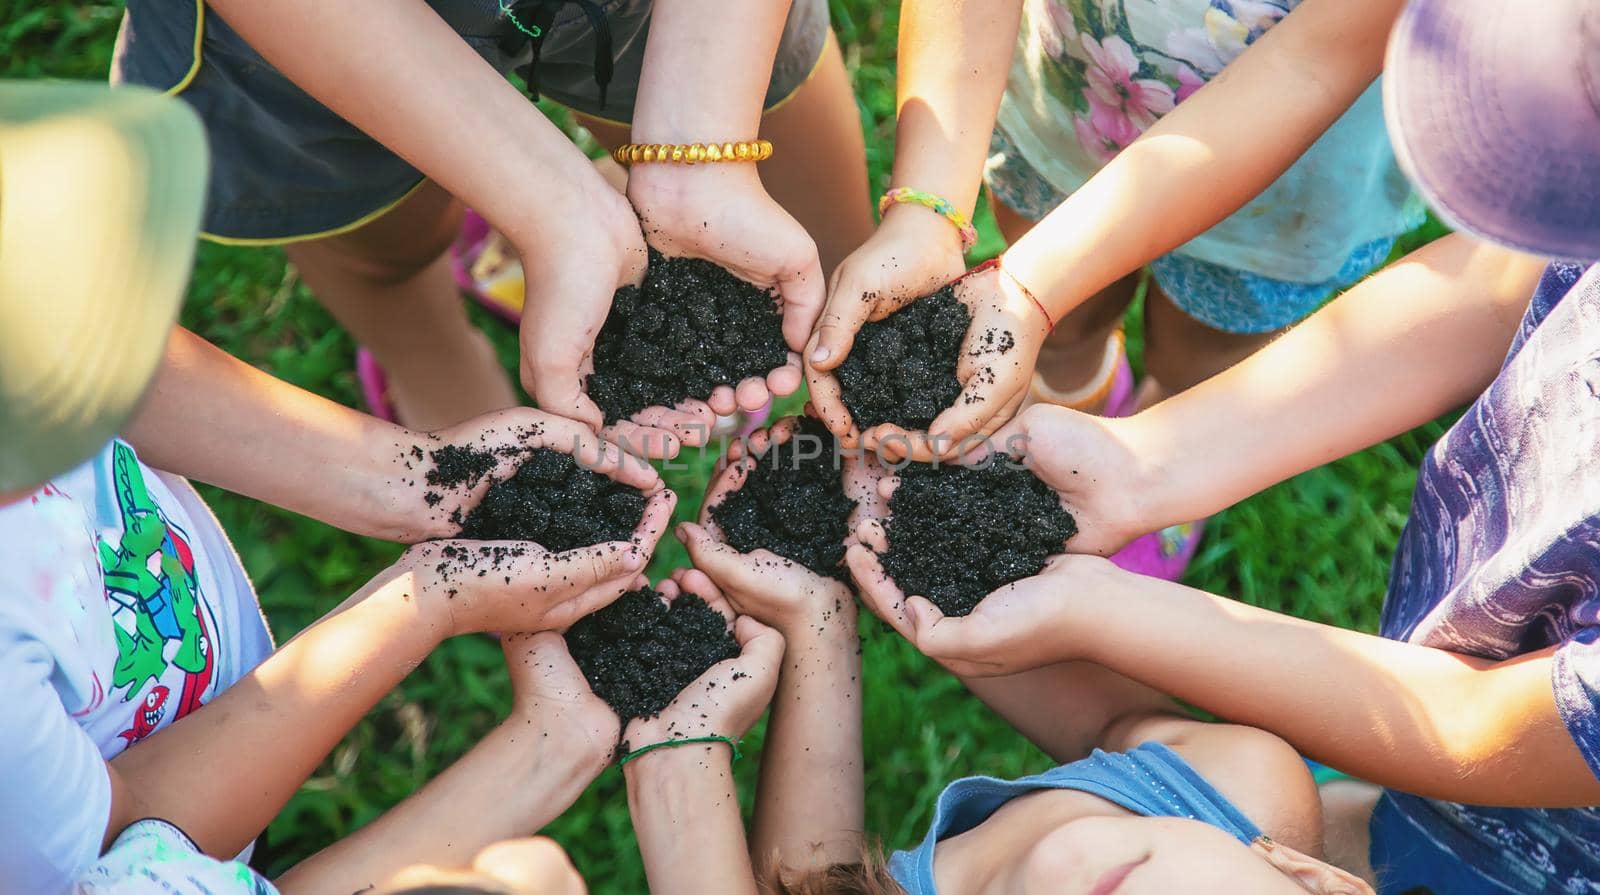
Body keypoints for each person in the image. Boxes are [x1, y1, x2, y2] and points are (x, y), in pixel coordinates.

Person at [847, 0, 1600, 890]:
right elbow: (1517, 277)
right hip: (1484, 616)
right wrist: (1147, 464)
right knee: (1370, 808)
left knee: (1431, 845)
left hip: (1542, 816)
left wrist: (1104, 610)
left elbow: (1482, 725)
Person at [0, 81, 674, 895]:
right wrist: (431, 595)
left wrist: (418, 480)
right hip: (178, 803)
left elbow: (99, 363)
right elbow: (133, 846)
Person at [806, 0, 1419, 579]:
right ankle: (1071, 396)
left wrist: (1027, 293)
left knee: (1200, 357)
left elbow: (1311, 60)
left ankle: (1157, 451)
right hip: (1074, 113)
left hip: (1291, 186)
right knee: (1065, 329)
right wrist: (932, 221)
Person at [113, 0, 871, 446]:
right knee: (385, 253)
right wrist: (553, 208)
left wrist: (701, 156)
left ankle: (596, 208)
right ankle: (433, 366)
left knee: (810, 221)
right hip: (321, 37)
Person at [676, 433, 1371, 894]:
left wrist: (815, 624)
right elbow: (1113, 717)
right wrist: (914, 567)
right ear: (1312, 880)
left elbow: (813, 879)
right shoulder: (1239, 788)